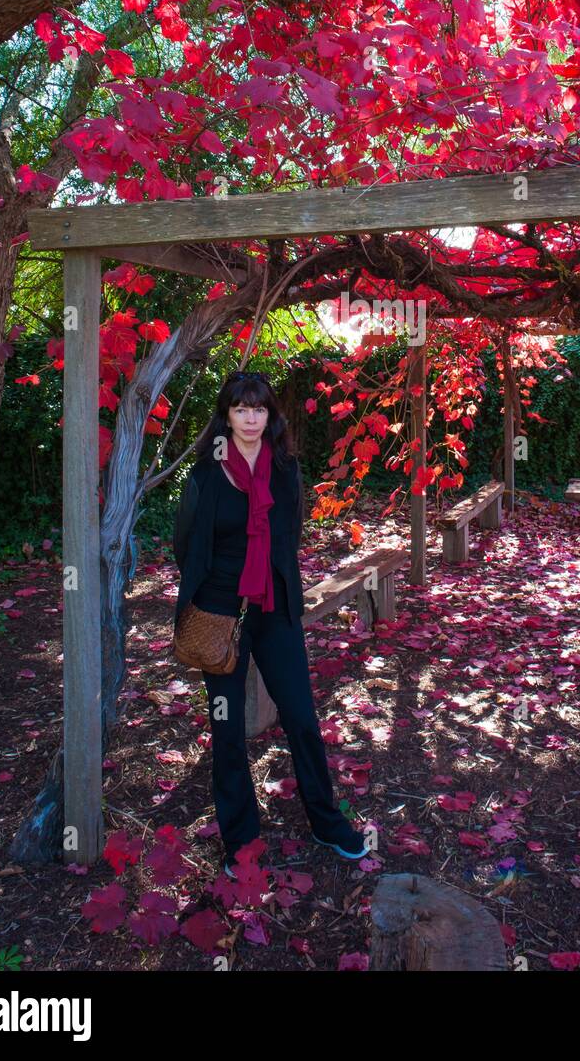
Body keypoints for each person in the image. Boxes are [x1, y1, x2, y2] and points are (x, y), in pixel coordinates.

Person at [172, 369, 370, 876]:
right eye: (241, 409)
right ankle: (240, 842)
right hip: (222, 619)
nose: (251, 418)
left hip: (275, 610)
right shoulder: (206, 473)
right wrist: (217, 591)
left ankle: (327, 822)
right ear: (227, 416)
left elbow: (291, 532)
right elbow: (186, 545)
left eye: (259, 409)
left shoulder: (284, 469)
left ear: (270, 415)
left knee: (302, 718)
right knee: (227, 729)